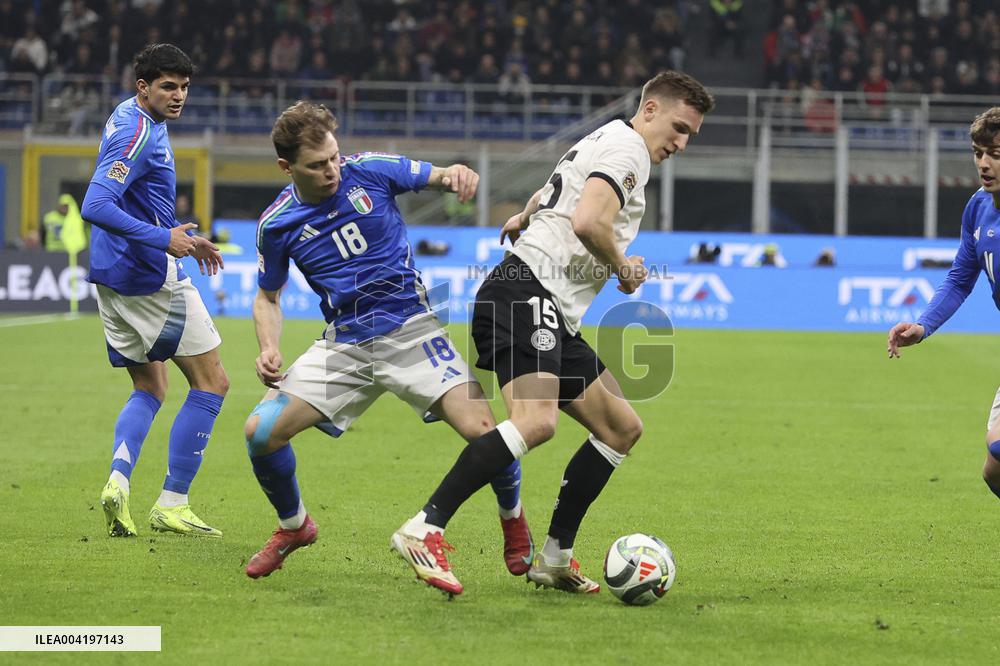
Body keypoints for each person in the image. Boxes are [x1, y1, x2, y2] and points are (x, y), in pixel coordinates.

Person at [392, 71, 715, 596]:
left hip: (547, 306)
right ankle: (423, 527)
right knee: (536, 422)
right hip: (527, 293)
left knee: (620, 428)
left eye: (690, 137)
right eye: (678, 127)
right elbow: (589, 220)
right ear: (650, 109)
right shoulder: (629, 148)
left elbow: (558, 190)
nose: (680, 143)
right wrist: (624, 268)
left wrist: (526, 215)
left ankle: (554, 557)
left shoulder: (605, 137)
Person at [242, 101, 533, 582]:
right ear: (286, 167)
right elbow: (267, 297)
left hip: (412, 330)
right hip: (345, 345)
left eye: (334, 156)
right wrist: (268, 347)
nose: (333, 169)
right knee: (260, 432)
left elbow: (441, 175)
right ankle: (294, 526)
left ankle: (513, 519)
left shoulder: (371, 171)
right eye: (317, 165)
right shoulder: (276, 224)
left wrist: (457, 174)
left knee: (488, 433)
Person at [80, 44, 229, 539]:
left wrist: (175, 229)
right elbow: (96, 204)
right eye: (168, 86)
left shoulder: (129, 117)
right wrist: (164, 238)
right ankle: (172, 502)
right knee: (212, 383)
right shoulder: (138, 131)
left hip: (111, 276)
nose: (179, 95)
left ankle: (118, 484)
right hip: (147, 275)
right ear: (142, 86)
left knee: (150, 386)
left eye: (184, 87)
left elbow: (134, 199)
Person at [888, 107, 1000, 501]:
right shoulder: (978, 208)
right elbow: (959, 277)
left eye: (996, 154)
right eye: (978, 152)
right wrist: (923, 326)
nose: (984, 164)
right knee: (995, 473)